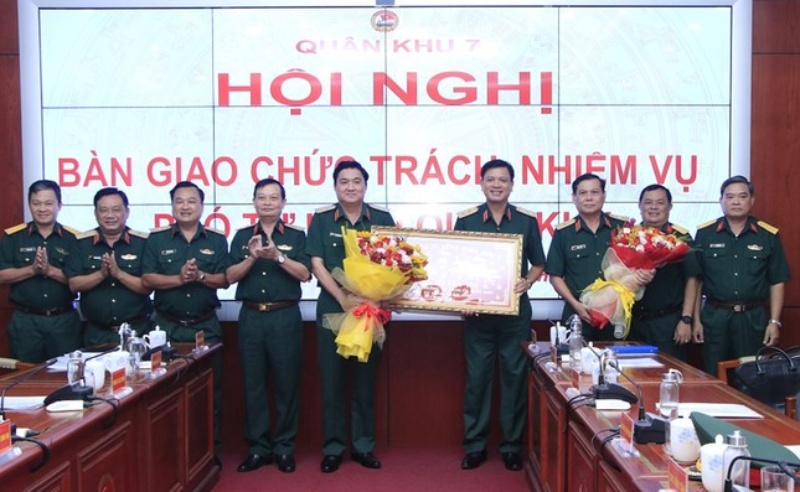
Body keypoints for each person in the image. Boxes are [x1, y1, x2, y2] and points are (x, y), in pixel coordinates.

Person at [454, 159, 545, 472]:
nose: (496, 185)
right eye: (490, 179)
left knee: (514, 381)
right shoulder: (465, 220)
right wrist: (462, 298)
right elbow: (457, 267)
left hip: (515, 315)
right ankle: (475, 446)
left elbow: (539, 263)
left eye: (502, 180)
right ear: (481, 183)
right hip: (477, 317)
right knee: (477, 382)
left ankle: (510, 447)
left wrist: (528, 281)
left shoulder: (525, 221)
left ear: (512, 185)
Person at [306, 160, 395, 473]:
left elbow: (396, 265)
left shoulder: (382, 219)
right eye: (344, 182)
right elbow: (316, 263)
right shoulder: (320, 220)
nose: (351, 187)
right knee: (332, 383)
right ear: (335, 186)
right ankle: (332, 448)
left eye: (357, 181)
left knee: (364, 383)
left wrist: (377, 297)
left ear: (365, 186)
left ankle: (362, 446)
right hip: (332, 309)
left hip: (371, 311)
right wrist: (342, 297)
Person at [226, 178, 311, 474]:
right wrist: (252, 257)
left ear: (283, 203)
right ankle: (258, 448)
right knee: (254, 385)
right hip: (251, 318)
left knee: (287, 385)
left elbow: (304, 275)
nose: (267, 202)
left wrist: (278, 255)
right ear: (253, 202)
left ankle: (285, 447)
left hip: (284, 317)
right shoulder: (240, 236)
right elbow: (229, 277)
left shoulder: (298, 236)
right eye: (261, 197)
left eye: (273, 198)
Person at [141, 181, 229, 446]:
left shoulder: (216, 239)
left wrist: (200, 276)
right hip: (167, 328)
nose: (185, 206)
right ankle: (168, 453)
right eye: (179, 201)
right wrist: (179, 279)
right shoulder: (157, 239)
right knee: (164, 394)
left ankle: (207, 453)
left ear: (202, 206)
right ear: (172, 206)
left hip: (206, 328)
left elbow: (224, 280)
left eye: (191, 201)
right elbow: (147, 279)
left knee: (209, 393)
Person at [692, 175, 790, 374]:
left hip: (752, 318)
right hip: (715, 317)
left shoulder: (767, 235)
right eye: (730, 197)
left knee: (752, 375)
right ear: (721, 201)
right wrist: (696, 320)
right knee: (713, 374)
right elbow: (697, 280)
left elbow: (777, 281)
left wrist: (774, 322)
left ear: (752, 200)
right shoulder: (705, 234)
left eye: (742, 196)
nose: (736, 202)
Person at [545, 173, 633, 341]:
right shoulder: (564, 232)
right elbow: (555, 276)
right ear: (574, 198)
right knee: (574, 364)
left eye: (594, 192)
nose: (589, 198)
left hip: (616, 313)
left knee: (617, 363)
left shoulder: (623, 228)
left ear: (604, 195)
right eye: (583, 193)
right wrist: (576, 305)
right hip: (578, 312)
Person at [0, 179, 80, 362]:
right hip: (25, 322)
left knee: (65, 378)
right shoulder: (13, 237)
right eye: (36, 203)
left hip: (63, 322)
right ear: (29, 205)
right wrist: (32, 269)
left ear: (59, 205)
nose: (42, 209)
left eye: (48, 203)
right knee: (24, 378)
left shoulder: (73, 239)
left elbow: (80, 281)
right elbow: (2, 276)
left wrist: (50, 270)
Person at [65, 187, 152, 346]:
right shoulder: (81, 244)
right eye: (103, 210)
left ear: (127, 212)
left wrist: (119, 274)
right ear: (96, 214)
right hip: (96, 334)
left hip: (137, 331)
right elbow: (73, 285)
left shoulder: (143, 243)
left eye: (116, 210)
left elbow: (148, 287)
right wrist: (101, 274)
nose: (110, 215)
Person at [628, 184, 699, 360]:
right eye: (648, 202)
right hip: (632, 322)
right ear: (640, 205)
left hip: (668, 322)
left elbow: (693, 279)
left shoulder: (680, 237)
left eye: (660, 202)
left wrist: (686, 319)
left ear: (669, 206)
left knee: (670, 375)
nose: (653, 207)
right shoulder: (628, 237)